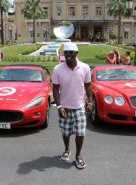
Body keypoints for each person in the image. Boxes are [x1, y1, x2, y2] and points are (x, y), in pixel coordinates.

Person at [52, 42, 92, 170]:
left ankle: (78, 156)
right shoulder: (57, 69)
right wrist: (59, 107)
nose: (68, 55)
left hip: (79, 106)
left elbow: (88, 85)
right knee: (66, 132)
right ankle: (67, 149)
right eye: (66, 53)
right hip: (64, 107)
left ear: (76, 53)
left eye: (71, 53)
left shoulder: (85, 67)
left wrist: (90, 102)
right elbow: (55, 88)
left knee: (80, 133)